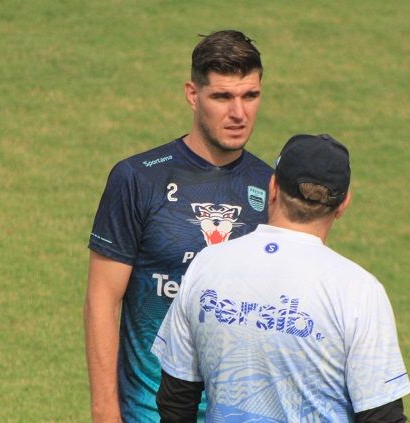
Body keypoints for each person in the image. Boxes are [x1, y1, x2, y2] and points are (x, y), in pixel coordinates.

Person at [152, 134, 410, 422]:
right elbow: (383, 416)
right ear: (343, 204)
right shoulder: (359, 291)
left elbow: (175, 400)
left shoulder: (207, 265)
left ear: (273, 187)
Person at [84, 30, 272, 422]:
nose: (238, 113)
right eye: (222, 97)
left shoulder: (270, 187)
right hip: (148, 413)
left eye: (249, 96)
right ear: (192, 94)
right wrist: (104, 412)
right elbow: (103, 298)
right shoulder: (137, 179)